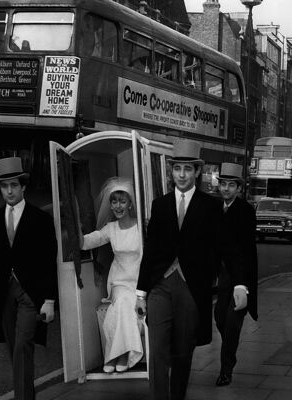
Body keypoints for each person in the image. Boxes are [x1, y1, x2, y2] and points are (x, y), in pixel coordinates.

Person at [135, 138, 221, 400]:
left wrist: (211, 282)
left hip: (191, 289)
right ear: (171, 172)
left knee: (182, 353)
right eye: (177, 169)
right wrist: (141, 293)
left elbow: (218, 250)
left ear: (197, 171)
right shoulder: (159, 205)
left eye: (187, 169)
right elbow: (150, 251)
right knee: (157, 350)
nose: (181, 175)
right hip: (160, 285)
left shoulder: (211, 206)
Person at [0, 157, 57, 400]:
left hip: (32, 294)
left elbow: (49, 262)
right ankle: (25, 392)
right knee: (13, 348)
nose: (9, 191)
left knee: (22, 345)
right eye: (4, 186)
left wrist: (49, 299)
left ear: (23, 186)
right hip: (5, 294)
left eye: (14, 186)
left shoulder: (41, 219)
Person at [79, 177, 144, 373]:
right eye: (114, 201)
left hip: (140, 282)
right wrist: (75, 232)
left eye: (122, 201)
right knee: (123, 301)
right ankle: (122, 354)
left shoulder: (142, 227)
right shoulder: (111, 228)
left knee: (121, 308)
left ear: (130, 203)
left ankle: (116, 355)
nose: (118, 206)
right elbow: (89, 241)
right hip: (119, 283)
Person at [214, 162, 258, 386]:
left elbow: (247, 250)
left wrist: (243, 284)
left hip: (239, 276)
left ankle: (226, 370)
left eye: (231, 185)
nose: (226, 189)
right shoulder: (214, 207)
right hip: (220, 277)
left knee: (232, 323)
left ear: (239, 188)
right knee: (220, 319)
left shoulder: (245, 211)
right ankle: (229, 349)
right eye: (223, 184)